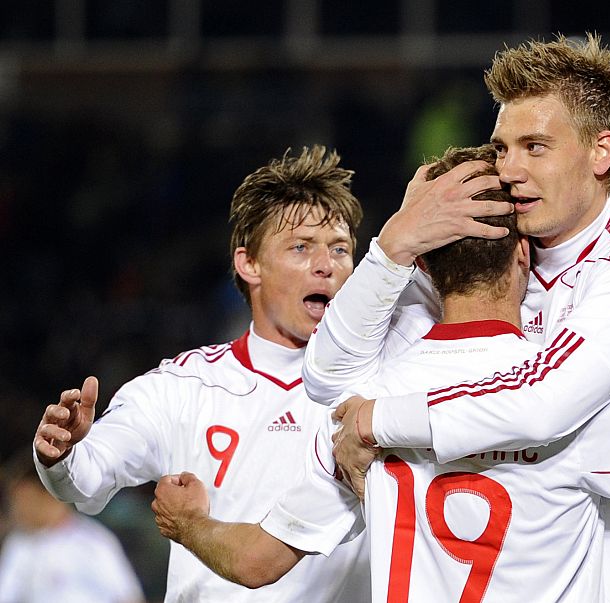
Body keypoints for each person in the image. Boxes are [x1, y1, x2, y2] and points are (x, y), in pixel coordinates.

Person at [149, 146, 610, 602]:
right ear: (523, 254)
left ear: (426, 270)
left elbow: (256, 562)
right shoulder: (585, 405)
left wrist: (191, 524)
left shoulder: (359, 420)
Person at [303, 35, 610, 602]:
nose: (510, 168)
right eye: (502, 147)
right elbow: (327, 377)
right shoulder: (487, 253)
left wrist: (378, 420)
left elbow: (547, 405)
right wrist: (393, 246)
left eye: (535, 147)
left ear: (601, 153)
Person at [31, 146, 370, 602]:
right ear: (248, 264)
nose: (325, 265)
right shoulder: (183, 387)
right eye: (300, 247)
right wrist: (62, 455)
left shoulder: (382, 385)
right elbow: (88, 478)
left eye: (340, 249)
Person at [0, 448, 145, 603]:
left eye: (25, 501)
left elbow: (129, 597)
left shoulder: (93, 542)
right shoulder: (18, 545)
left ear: (48, 496)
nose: (17, 509)